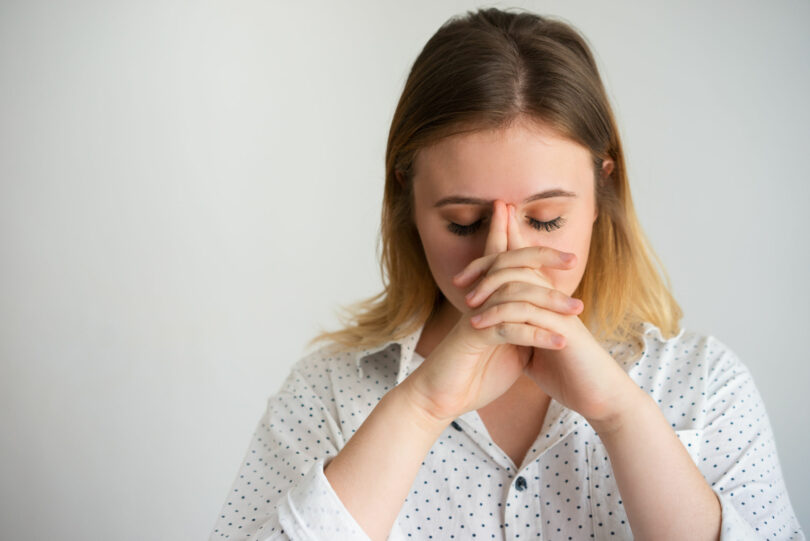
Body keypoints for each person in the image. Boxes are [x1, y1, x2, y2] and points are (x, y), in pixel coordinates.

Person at [210, 7, 804, 541]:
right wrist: (419, 407)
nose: (503, 258)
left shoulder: (702, 387)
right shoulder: (327, 395)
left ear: (602, 193)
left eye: (545, 219)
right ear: (409, 204)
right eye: (464, 222)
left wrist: (622, 417)